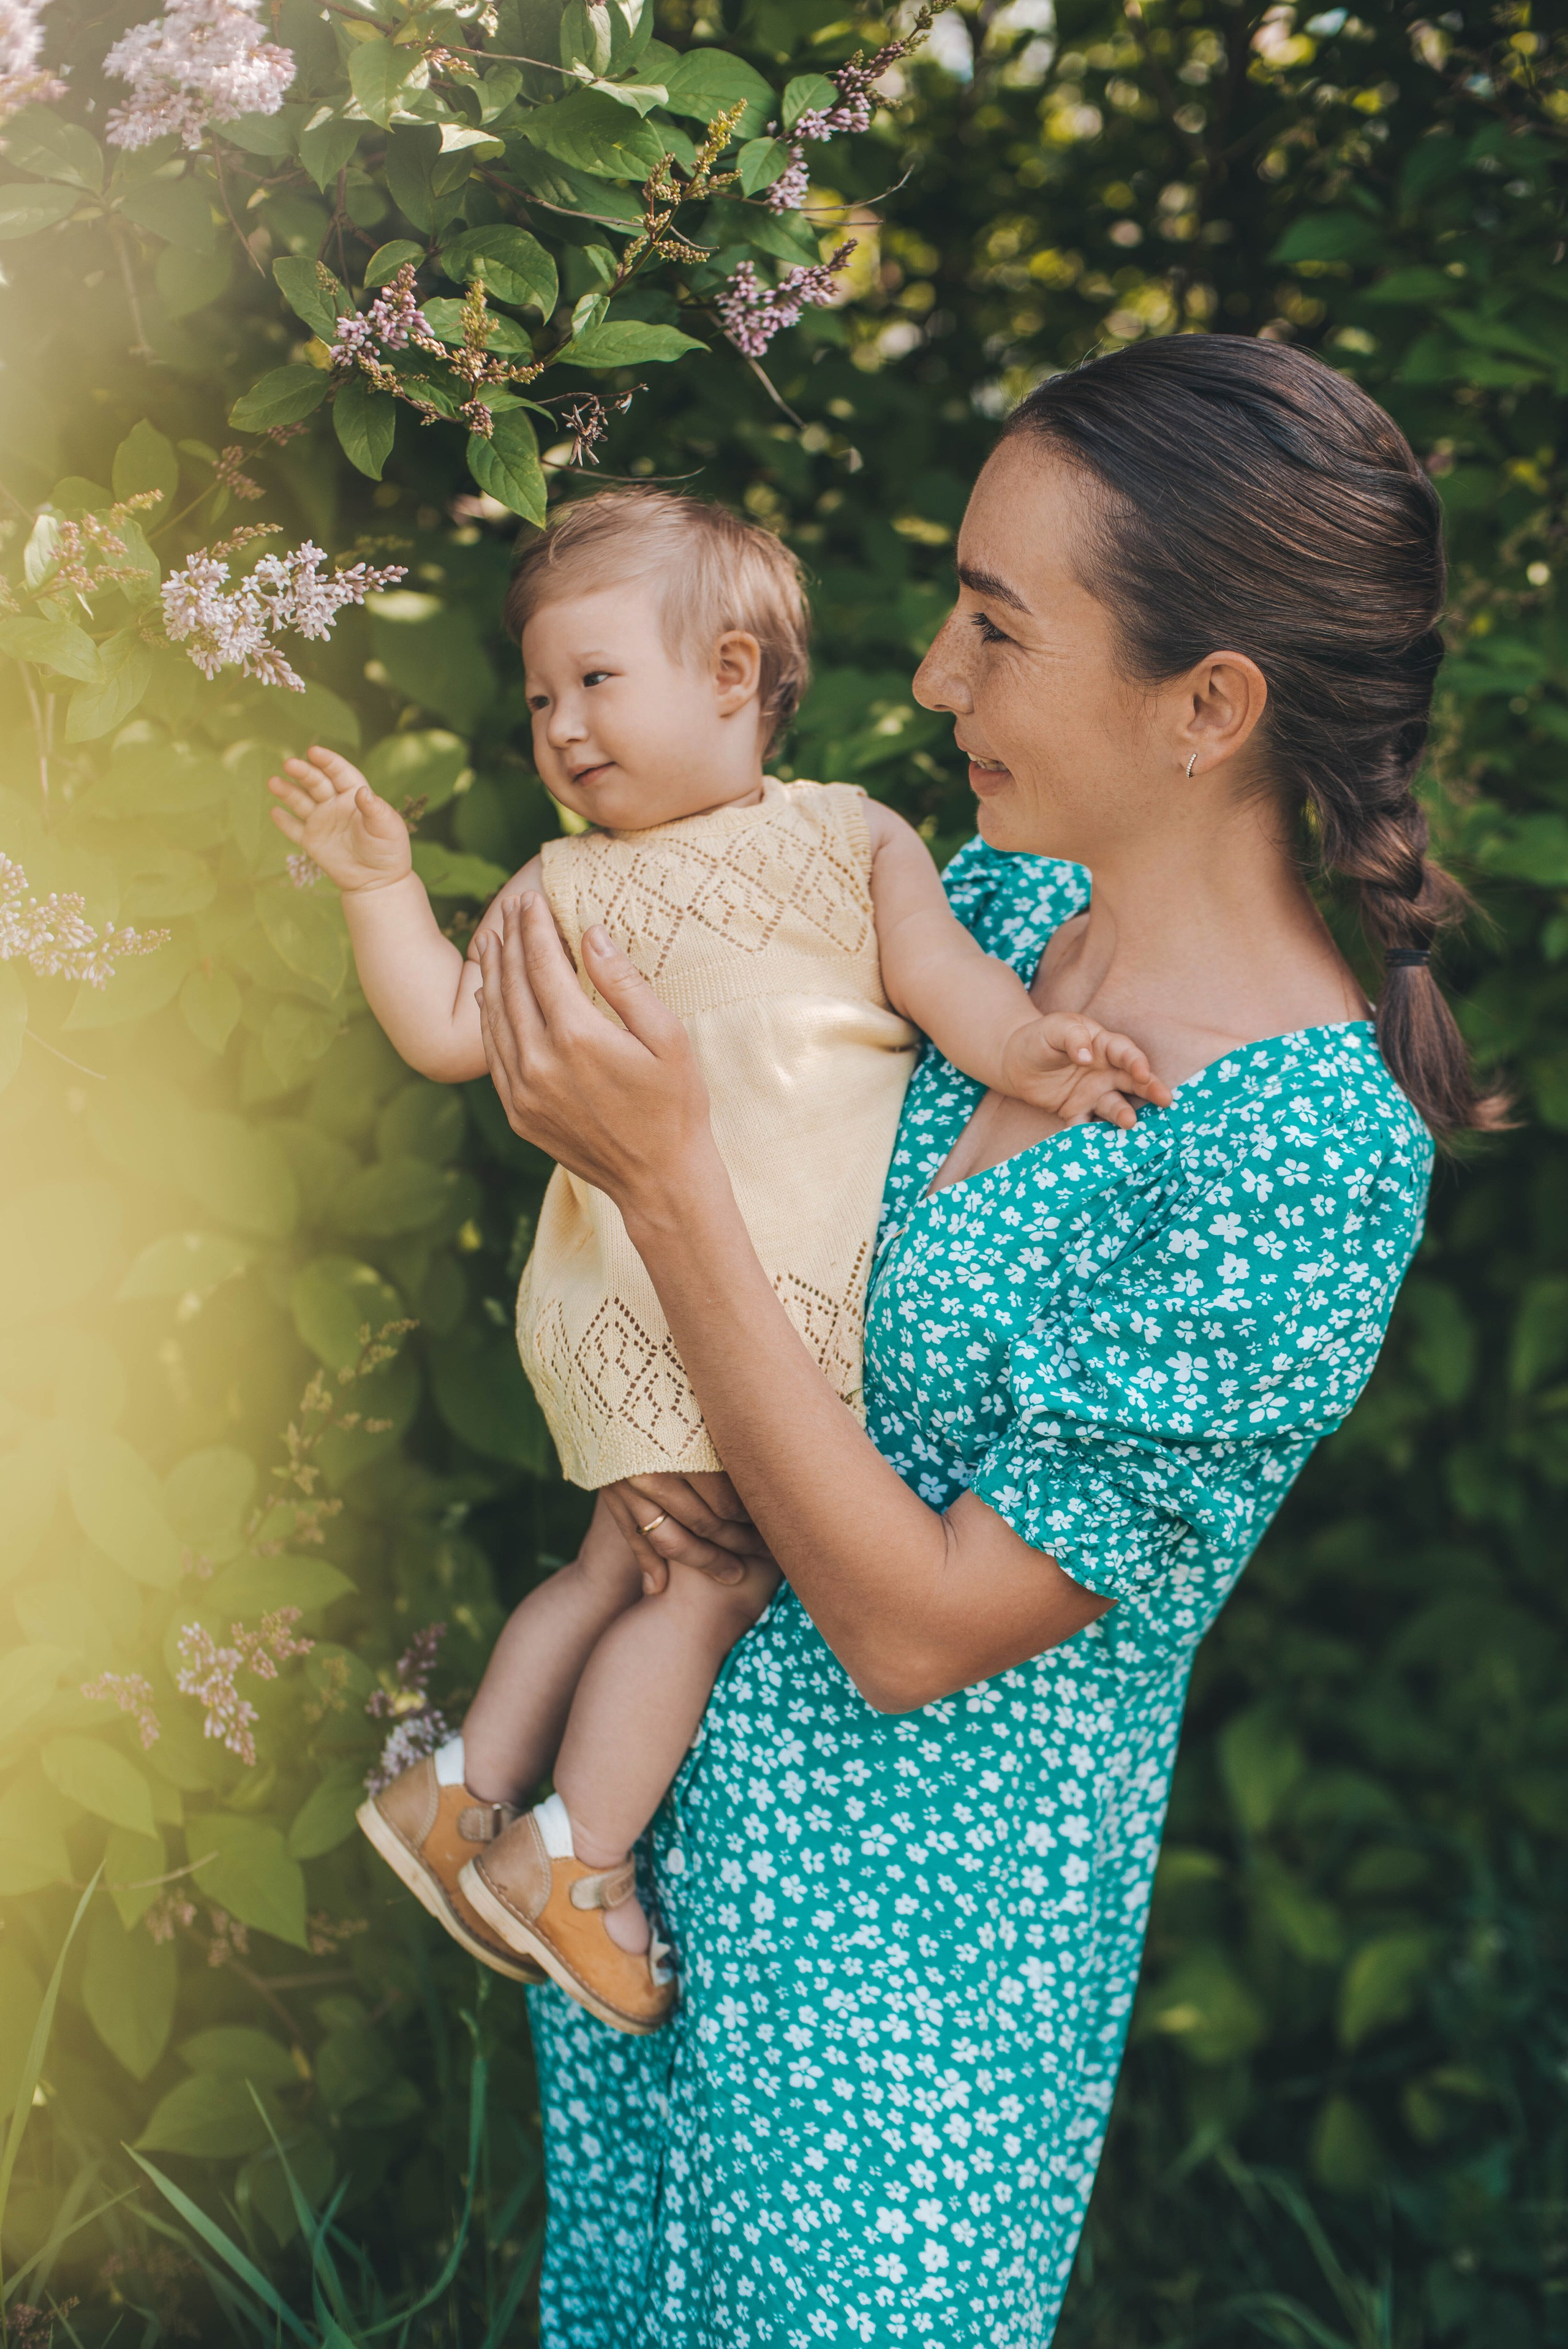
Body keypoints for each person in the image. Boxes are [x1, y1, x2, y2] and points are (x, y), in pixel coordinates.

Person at [470, 336, 1505, 2349]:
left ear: (1209, 705)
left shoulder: (1302, 1151)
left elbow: (919, 1624)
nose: (935, 677)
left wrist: (665, 1180)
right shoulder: (1003, 901)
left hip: (900, 2022)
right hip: (645, 1894)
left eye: (998, 629)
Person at [267, 492, 1166, 2035]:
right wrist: (377, 887)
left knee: (619, 1562)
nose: (560, 725)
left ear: (735, 673)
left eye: (595, 681)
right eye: (541, 696)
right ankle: (580, 1862)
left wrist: (1034, 1047)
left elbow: (955, 988)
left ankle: (462, 1790)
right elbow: (443, 1033)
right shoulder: (559, 891)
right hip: (679, 1299)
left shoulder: (851, 840)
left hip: (706, 1296)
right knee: (710, 1575)